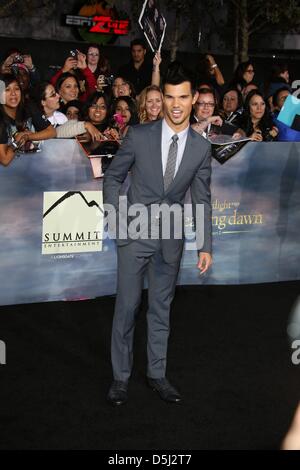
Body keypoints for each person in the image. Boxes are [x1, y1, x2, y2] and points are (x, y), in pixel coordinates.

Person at [103, 66, 212, 406]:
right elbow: (112, 178)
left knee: (161, 309)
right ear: (161, 98)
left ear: (193, 99)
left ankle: (157, 374)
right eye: (169, 96)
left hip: (171, 240)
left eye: (183, 97)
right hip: (134, 234)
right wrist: (115, 217)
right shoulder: (139, 135)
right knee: (127, 307)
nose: (176, 105)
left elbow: (202, 198)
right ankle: (120, 378)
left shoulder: (200, 148)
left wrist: (205, 245)